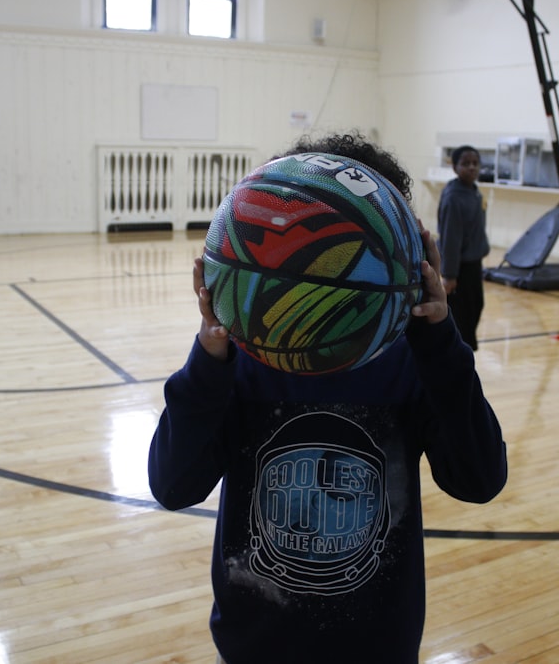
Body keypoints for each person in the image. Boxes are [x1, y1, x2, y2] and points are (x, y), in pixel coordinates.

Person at [148, 132, 507, 664]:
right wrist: (208, 361)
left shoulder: (411, 364)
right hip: (254, 646)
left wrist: (440, 345)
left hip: (378, 648)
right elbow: (173, 485)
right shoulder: (239, 366)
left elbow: (479, 481)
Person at [437, 145, 490, 351]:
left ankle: (465, 349)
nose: (471, 168)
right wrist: (449, 275)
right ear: (455, 168)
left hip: (474, 264)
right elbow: (451, 238)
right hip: (460, 268)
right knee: (461, 313)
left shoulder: (475, 193)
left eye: (475, 163)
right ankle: (457, 351)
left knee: (476, 306)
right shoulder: (454, 197)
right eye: (465, 163)